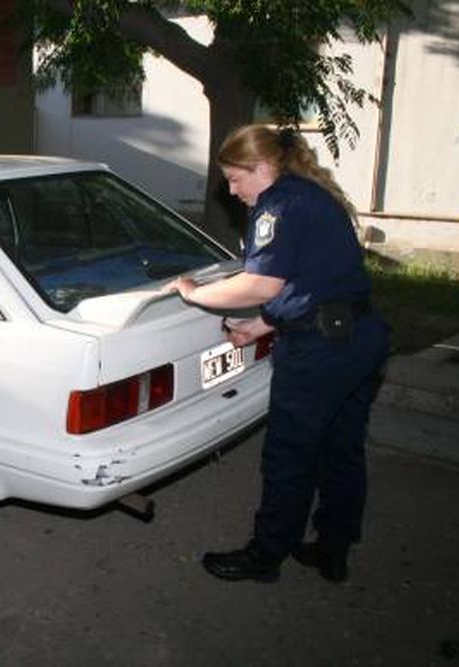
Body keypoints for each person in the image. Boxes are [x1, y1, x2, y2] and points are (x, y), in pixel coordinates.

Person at [166, 124, 389, 584]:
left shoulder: (278, 205)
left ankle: (265, 555)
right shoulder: (309, 194)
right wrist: (262, 324)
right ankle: (332, 548)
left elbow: (260, 284)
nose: (232, 191)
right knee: (341, 448)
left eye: (235, 178)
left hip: (320, 351)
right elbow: (311, 280)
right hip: (360, 337)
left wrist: (194, 292)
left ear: (264, 167)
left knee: (290, 454)